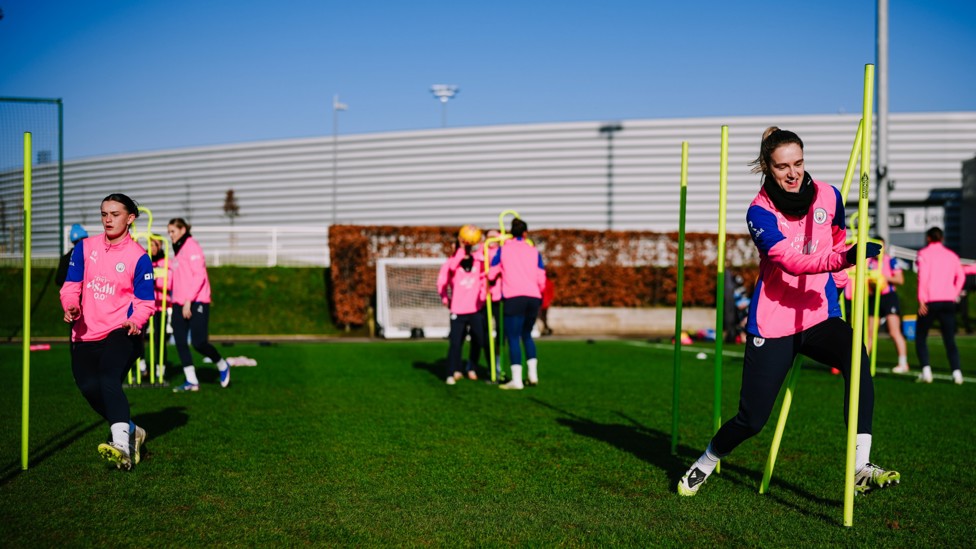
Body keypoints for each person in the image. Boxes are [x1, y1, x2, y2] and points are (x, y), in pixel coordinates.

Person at [677, 127, 899, 497]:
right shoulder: (759, 212)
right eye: (783, 167)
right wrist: (841, 259)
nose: (793, 173)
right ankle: (707, 459)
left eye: (798, 163)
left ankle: (860, 466)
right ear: (768, 167)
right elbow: (791, 262)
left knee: (856, 358)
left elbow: (839, 238)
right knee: (751, 420)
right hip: (775, 322)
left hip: (818, 314)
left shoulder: (830, 195)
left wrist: (843, 277)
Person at [59, 194, 153, 470]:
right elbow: (70, 287)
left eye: (114, 214)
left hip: (122, 331)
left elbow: (146, 302)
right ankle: (132, 430)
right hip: (85, 333)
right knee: (89, 387)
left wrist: (135, 320)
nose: (108, 219)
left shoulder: (139, 257)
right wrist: (71, 306)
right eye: (104, 214)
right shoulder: (85, 248)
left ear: (130, 218)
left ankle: (122, 446)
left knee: (108, 378)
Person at [167, 218, 230, 392]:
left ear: (183, 230)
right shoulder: (177, 250)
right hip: (178, 302)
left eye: (173, 231)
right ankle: (192, 380)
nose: (170, 235)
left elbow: (199, 276)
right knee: (180, 341)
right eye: (169, 232)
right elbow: (175, 278)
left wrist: (188, 301)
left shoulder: (192, 246)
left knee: (199, 342)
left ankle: (222, 364)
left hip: (197, 301)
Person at [488, 218, 547, 390]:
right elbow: (541, 277)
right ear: (525, 233)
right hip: (533, 297)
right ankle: (532, 374)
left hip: (514, 297)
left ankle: (516, 380)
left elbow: (492, 274)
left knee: (513, 337)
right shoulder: (534, 251)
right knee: (527, 335)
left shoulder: (503, 250)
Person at [914, 227, 966, 385]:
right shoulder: (952, 256)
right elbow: (961, 275)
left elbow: (923, 277)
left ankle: (926, 372)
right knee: (949, 339)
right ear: (942, 239)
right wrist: (954, 293)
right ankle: (957, 374)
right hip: (948, 301)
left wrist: (921, 299)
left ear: (929, 238)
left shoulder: (923, 254)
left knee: (921, 337)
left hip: (930, 301)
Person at [437, 231, 486, 384]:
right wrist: (445, 298)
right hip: (458, 310)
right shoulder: (452, 262)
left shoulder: (477, 261)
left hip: (476, 309)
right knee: (456, 342)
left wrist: (481, 241)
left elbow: (484, 257)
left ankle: (471, 367)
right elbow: (442, 281)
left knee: (479, 340)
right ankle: (453, 371)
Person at [863, 238, 910, 373]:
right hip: (874, 297)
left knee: (894, 331)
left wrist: (882, 277)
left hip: (888, 298)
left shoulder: (890, 260)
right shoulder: (870, 262)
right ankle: (863, 362)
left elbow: (900, 279)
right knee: (869, 333)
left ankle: (903, 363)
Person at [482, 229, 506, 382]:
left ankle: (498, 367)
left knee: (501, 335)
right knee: (484, 335)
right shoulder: (482, 253)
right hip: (485, 298)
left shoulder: (503, 252)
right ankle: (488, 366)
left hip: (500, 298)